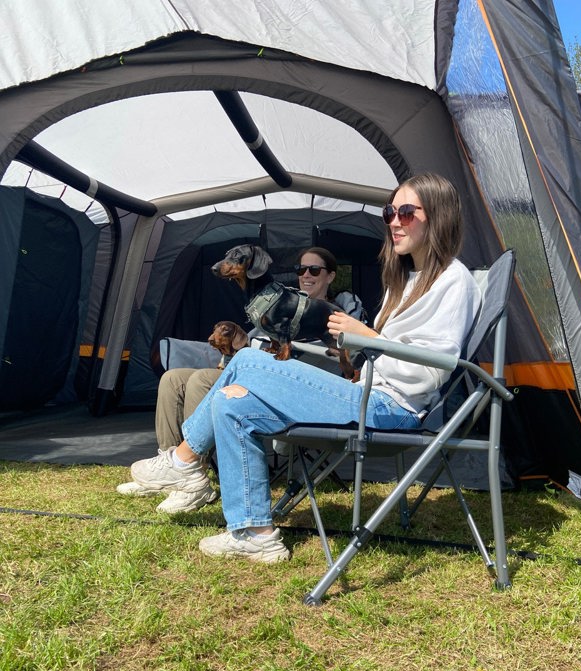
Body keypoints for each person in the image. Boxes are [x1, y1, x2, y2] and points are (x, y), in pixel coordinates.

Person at [128, 173, 482, 563]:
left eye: (406, 212)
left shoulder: (453, 280)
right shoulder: (408, 280)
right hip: (368, 394)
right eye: (389, 211)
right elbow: (384, 352)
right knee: (231, 403)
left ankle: (183, 462)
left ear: (438, 216)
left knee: (246, 359)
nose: (394, 221)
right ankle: (254, 532)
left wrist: (366, 335)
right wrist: (362, 341)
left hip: (390, 409)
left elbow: (437, 367)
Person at [117, 246, 365, 513]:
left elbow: (349, 351)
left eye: (314, 270)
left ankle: (192, 477)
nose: (306, 275)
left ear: (330, 276)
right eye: (300, 269)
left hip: (288, 381)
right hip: (251, 371)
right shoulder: (277, 301)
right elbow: (251, 338)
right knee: (173, 379)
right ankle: (168, 463)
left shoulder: (336, 311)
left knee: (201, 380)